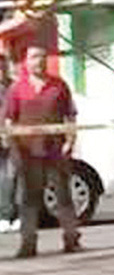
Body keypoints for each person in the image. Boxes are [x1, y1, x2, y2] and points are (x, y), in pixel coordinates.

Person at [5, 46, 80, 258]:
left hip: (55, 151)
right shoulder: (17, 89)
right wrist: (14, 148)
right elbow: (9, 121)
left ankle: (71, 238)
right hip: (28, 152)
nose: (39, 61)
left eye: (43, 57)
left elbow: (71, 116)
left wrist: (70, 140)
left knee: (63, 196)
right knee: (29, 199)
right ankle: (28, 244)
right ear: (26, 62)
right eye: (34, 57)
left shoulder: (59, 86)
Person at [0, 54, 17, 233]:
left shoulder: (14, 87)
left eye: (3, 66)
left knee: (10, 178)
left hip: (14, 139)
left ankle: (9, 215)